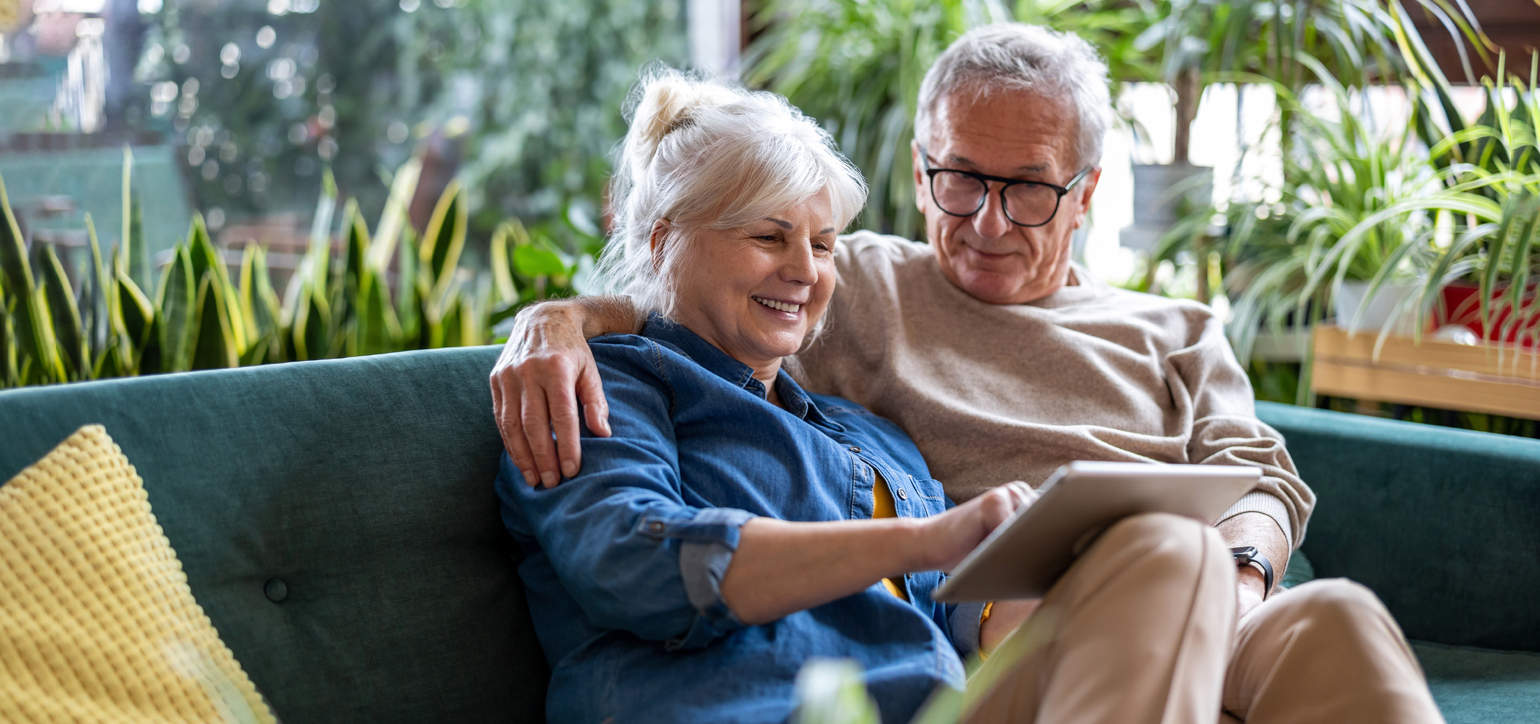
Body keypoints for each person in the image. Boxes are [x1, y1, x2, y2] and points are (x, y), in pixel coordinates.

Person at [493, 24, 1446, 724]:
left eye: (1028, 188)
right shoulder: (857, 286)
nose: (987, 221)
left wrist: (1235, 580)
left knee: (1336, 619)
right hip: (1015, 634)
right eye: (961, 180)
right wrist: (559, 319)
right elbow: (683, 309)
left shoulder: (1165, 331)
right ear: (921, 172)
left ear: (1085, 196)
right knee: (1166, 553)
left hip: (1157, 606)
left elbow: (1259, 473)